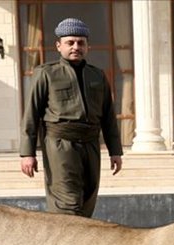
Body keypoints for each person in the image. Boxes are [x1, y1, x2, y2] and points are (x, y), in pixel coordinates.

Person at [20, 18, 123, 218]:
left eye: (81, 42)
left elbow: (108, 117)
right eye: (70, 42)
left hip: (91, 143)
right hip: (61, 144)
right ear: (59, 46)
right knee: (67, 202)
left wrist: (115, 151)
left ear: (88, 46)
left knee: (88, 199)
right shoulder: (46, 74)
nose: (76, 47)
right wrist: (27, 153)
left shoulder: (98, 76)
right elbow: (31, 114)